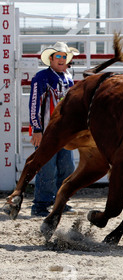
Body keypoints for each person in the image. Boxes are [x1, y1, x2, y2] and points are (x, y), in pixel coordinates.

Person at [29, 42, 79, 217]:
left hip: (63, 133)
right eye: (58, 56)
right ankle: (40, 205)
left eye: (64, 56)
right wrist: (37, 128)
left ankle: (61, 202)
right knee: (47, 168)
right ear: (50, 59)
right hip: (47, 132)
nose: (61, 59)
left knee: (67, 167)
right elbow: (34, 104)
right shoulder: (41, 77)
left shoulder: (68, 78)